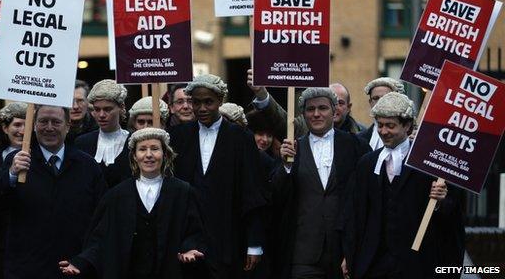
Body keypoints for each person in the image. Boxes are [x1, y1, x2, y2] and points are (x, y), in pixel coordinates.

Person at [345, 92, 465, 279]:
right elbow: (356, 215)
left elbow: (453, 212)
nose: (383, 131)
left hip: (417, 264)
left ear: (407, 125)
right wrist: (351, 256)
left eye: (390, 126)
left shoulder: (429, 163)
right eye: (380, 125)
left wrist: (441, 201)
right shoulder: (366, 164)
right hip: (374, 264)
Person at [59, 128, 205, 279]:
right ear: (134, 156)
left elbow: (194, 230)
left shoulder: (182, 192)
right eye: (142, 149)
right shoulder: (117, 195)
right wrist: (81, 262)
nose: (149, 155)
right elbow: (101, 237)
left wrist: (190, 248)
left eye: (155, 149)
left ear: (165, 154)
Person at [169, 74, 266, 279]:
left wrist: (254, 244)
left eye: (208, 102)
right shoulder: (178, 136)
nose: (201, 108)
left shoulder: (241, 137)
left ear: (220, 101)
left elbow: (252, 192)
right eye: (196, 102)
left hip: (229, 237)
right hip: (189, 241)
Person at [0, 105, 106, 279]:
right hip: (26, 269)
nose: (49, 127)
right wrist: (11, 175)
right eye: (43, 121)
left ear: (68, 125)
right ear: (34, 125)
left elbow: (103, 221)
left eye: (56, 122)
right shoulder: (16, 161)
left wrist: (85, 260)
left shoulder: (87, 166)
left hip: (73, 268)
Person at [272, 88, 370, 279]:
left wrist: (353, 250)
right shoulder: (291, 149)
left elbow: (364, 199)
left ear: (335, 112)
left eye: (322, 108)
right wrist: (285, 166)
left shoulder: (356, 146)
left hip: (344, 252)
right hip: (303, 254)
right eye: (310, 109)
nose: (316, 114)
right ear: (303, 114)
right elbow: (276, 197)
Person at [246, 69, 365, 139]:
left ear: (349, 107)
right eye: (329, 103)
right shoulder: (305, 125)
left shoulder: (362, 135)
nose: (335, 107)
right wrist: (262, 94)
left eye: (340, 103)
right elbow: (281, 123)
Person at [75, 79, 131, 188]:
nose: (101, 115)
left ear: (121, 108)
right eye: (97, 109)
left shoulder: (134, 142)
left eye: (107, 109)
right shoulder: (82, 142)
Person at [0, 102, 27, 279]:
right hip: (0, 239)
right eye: (17, 124)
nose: (22, 130)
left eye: (26, 124)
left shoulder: (40, 156)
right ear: (5, 128)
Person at [357, 77, 405, 150]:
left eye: (386, 97)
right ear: (370, 103)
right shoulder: (358, 139)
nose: (380, 102)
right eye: (376, 98)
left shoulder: (409, 136)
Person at [66, 80, 98, 144]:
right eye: (70, 102)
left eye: (80, 100)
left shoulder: (100, 129)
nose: (75, 106)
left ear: (88, 102)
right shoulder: (54, 131)